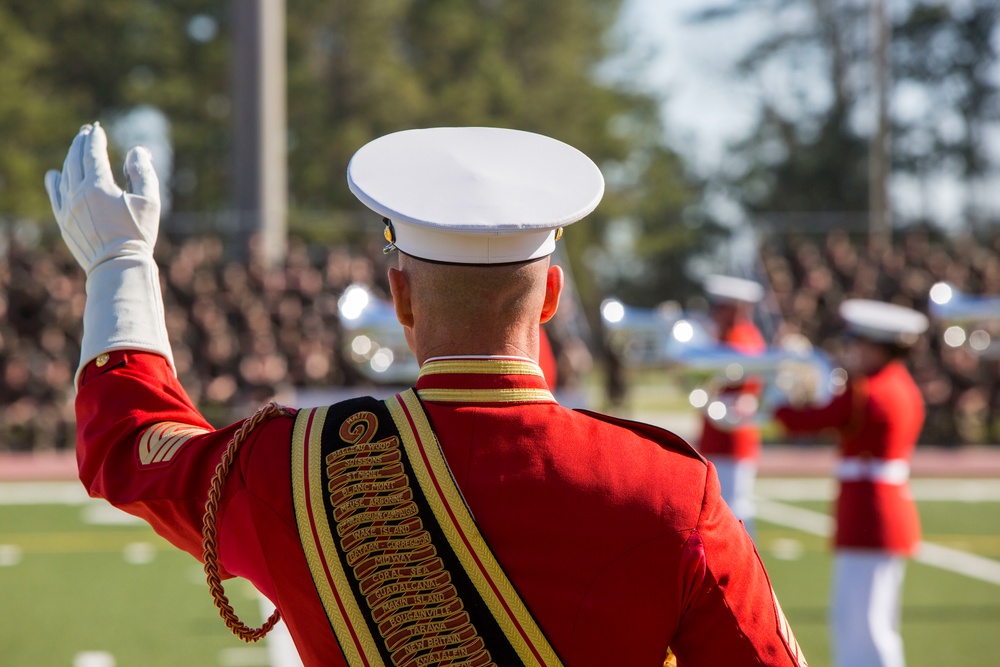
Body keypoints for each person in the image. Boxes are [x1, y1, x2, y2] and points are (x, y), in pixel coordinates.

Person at [46, 123, 807, 666]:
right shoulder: (671, 487)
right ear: (550, 296)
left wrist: (120, 262)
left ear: (400, 297)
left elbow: (128, 443)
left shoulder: (296, 467)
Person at [773, 299, 928, 667]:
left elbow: (810, 420)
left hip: (870, 516)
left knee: (860, 623)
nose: (850, 352)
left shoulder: (870, 391)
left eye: (857, 344)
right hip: (879, 511)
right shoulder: (898, 385)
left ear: (876, 346)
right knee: (869, 619)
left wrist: (776, 401)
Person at [695, 274, 767, 536]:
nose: (715, 313)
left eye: (721, 307)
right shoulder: (725, 336)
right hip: (719, 430)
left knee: (734, 507)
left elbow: (726, 379)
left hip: (734, 433)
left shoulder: (740, 338)